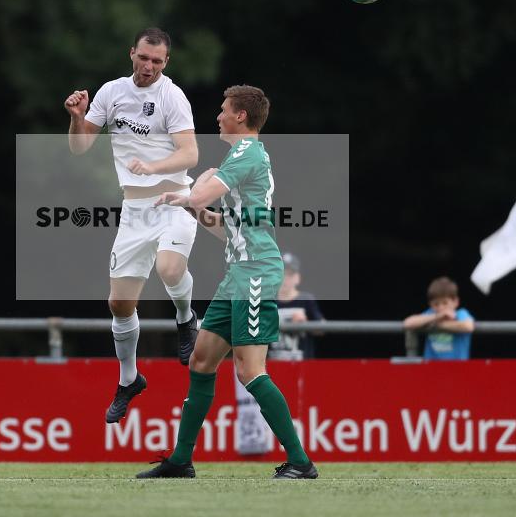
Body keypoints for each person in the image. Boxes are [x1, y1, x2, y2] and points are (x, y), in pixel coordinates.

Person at [139, 85, 317, 480]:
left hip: (255, 273)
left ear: (240, 116)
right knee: (201, 361)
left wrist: (193, 191)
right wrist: (193, 206)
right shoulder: (246, 156)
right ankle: (181, 461)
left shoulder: (246, 152)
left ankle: (301, 462)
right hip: (237, 274)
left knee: (250, 371)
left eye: (223, 110)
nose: (217, 116)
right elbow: (226, 227)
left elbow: (204, 191)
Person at [64, 28, 199, 423]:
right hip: (134, 211)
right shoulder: (111, 93)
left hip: (173, 200)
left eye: (157, 61)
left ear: (166, 63)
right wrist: (76, 120)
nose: (149, 66)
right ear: (132, 54)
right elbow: (80, 147)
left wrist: (154, 166)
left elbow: (190, 153)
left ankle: (186, 318)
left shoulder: (171, 97)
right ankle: (129, 380)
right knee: (120, 303)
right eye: (144, 58)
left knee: (170, 268)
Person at [403, 276, 474, 360]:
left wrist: (438, 325)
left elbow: (468, 327)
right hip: (431, 369)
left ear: (456, 302)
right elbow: (407, 323)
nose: (441, 308)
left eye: (445, 303)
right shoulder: (431, 314)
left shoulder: (461, 313)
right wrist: (436, 317)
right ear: (430, 304)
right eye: (436, 304)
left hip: (457, 368)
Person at [271, 251, 326, 360]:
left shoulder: (306, 299)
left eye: (289, 275)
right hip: (273, 364)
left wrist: (305, 323)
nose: (284, 279)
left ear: (297, 278)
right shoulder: (267, 301)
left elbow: (322, 328)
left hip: (302, 364)